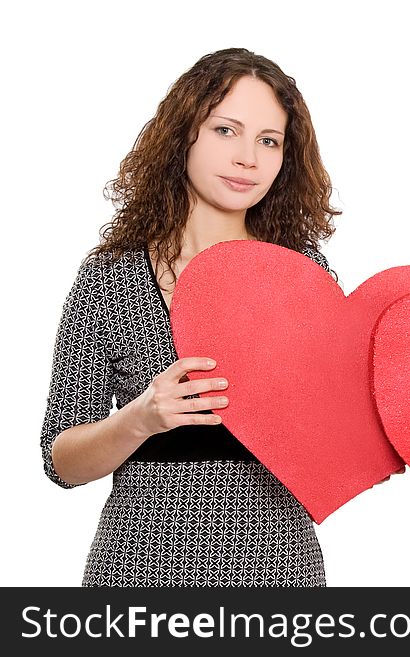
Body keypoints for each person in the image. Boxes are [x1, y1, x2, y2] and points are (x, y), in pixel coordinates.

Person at [40, 47, 341, 586]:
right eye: (227, 130)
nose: (248, 157)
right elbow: (60, 460)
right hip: (137, 572)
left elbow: (339, 428)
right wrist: (140, 418)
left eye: (268, 141)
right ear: (185, 135)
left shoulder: (301, 272)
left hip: (280, 569)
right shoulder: (113, 276)